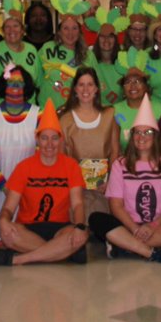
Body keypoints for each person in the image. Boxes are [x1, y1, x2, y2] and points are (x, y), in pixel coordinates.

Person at [90, 94, 161, 263]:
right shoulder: (120, 164)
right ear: (132, 137)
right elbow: (115, 205)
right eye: (137, 132)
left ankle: (125, 246)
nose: (142, 137)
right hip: (128, 225)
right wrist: (134, 228)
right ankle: (152, 252)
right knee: (96, 219)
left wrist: (152, 226)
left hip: (159, 227)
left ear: (155, 137)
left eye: (147, 132)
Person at [0, 100, 89, 266]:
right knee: (8, 234)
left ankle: (18, 259)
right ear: (37, 140)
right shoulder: (24, 167)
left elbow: (77, 204)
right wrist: (4, 221)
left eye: (54, 138)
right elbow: (8, 208)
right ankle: (62, 253)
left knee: (79, 234)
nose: (49, 144)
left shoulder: (71, 166)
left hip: (60, 228)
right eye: (44, 138)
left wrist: (78, 226)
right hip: (28, 228)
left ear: (61, 140)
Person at [0, 67, 41, 233]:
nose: (15, 87)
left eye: (20, 83)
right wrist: (6, 187)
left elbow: (41, 156)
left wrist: (23, 188)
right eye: (11, 83)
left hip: (30, 189)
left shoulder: (39, 115)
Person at [58, 67, 119, 217]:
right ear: (75, 89)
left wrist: (110, 180)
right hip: (74, 190)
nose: (86, 89)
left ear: (97, 89)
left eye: (90, 84)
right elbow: (61, 157)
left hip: (104, 189)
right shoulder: (65, 119)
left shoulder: (109, 115)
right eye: (81, 84)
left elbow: (115, 151)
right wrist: (74, 182)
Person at [0, 7, 39, 110]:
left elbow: (37, 82)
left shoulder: (31, 50)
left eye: (16, 26)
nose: (12, 30)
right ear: (2, 31)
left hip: (29, 112)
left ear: (23, 30)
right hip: (2, 112)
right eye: (7, 27)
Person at [39, 7, 95, 108]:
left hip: (77, 110)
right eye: (66, 28)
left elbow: (95, 85)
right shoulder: (47, 48)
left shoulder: (88, 55)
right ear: (59, 32)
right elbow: (37, 77)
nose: (70, 33)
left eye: (74, 28)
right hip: (48, 110)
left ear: (79, 31)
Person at [114, 66, 160, 150]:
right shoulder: (115, 111)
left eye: (138, 81)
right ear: (123, 89)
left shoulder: (159, 109)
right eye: (128, 82)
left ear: (146, 86)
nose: (133, 85)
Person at [87, 9, 127, 106]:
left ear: (116, 39)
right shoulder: (90, 63)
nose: (106, 40)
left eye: (110, 36)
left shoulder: (124, 63)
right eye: (102, 36)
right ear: (97, 39)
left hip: (119, 115)